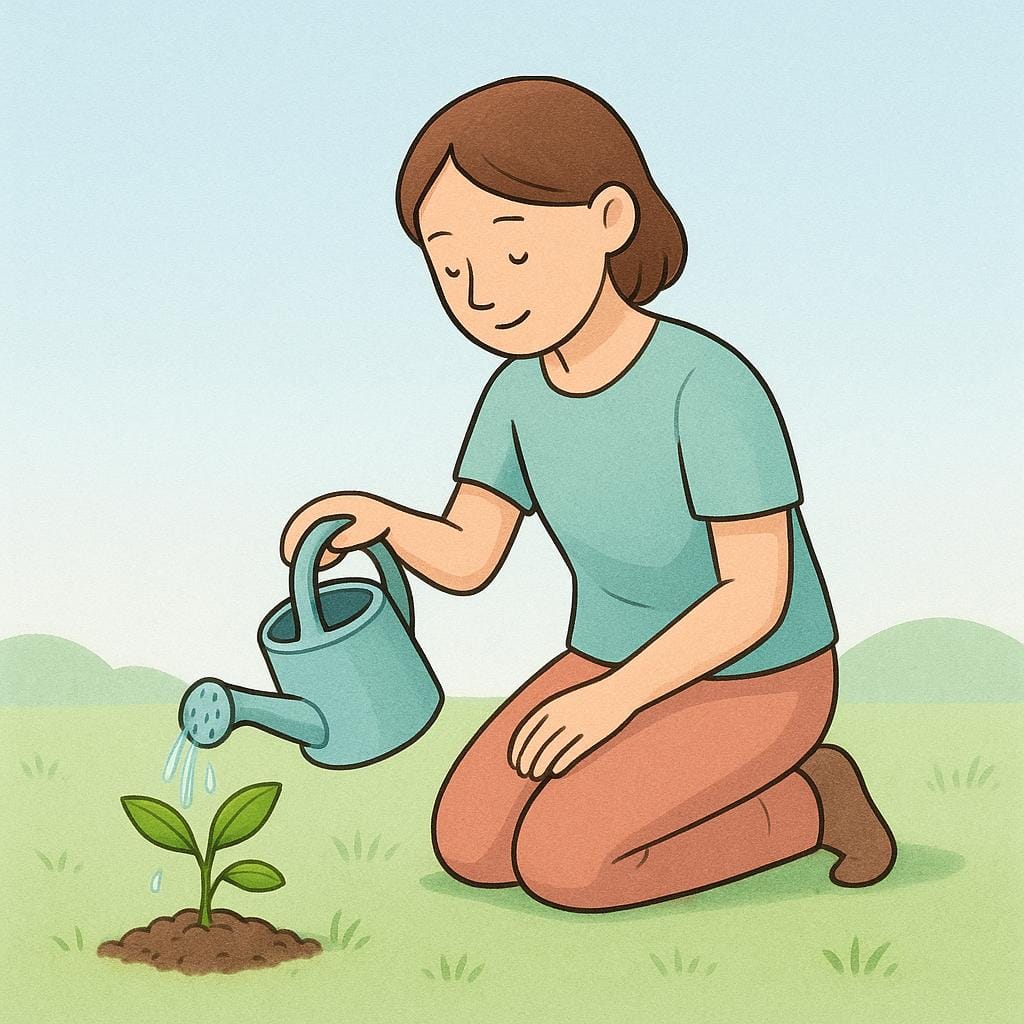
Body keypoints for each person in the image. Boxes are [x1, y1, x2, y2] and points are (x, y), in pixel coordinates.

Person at [281, 77, 896, 912]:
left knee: (567, 866)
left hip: (760, 674)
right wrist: (383, 522)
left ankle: (816, 801)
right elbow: (469, 557)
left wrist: (614, 702)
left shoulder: (708, 385)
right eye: (450, 265)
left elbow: (756, 596)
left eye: (513, 254)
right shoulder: (514, 396)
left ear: (610, 218)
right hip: (604, 659)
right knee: (472, 846)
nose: (482, 291)